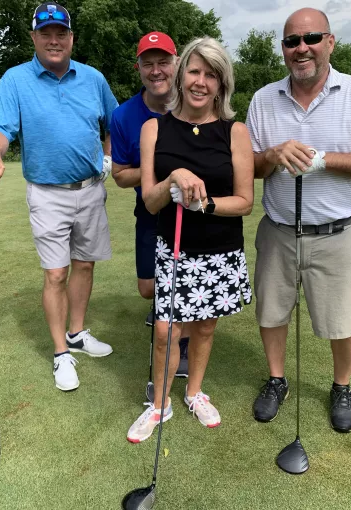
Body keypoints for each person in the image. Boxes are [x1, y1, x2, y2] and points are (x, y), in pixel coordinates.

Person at [246, 7, 351, 432]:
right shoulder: (263, 98)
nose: (302, 48)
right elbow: (251, 166)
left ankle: (342, 386)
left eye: (311, 38)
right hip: (278, 231)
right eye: (292, 41)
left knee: (344, 321)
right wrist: (272, 156)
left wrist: (322, 160)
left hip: (337, 233)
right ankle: (277, 380)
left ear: (330, 42)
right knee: (271, 314)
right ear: (284, 49)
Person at [0, 2, 118, 392]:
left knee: (84, 267)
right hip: (46, 193)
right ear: (34, 38)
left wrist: (107, 157)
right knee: (56, 273)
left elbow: (114, 123)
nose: (54, 41)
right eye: (46, 34)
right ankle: (61, 353)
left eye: (61, 34)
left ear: (71, 38)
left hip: (90, 189)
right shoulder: (15, 80)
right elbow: (0, 128)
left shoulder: (92, 78)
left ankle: (76, 333)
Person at [126, 36, 254, 443]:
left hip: (219, 249)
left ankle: (195, 393)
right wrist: (172, 179)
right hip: (173, 247)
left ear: (222, 83)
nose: (201, 82)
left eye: (211, 74)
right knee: (166, 331)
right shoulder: (153, 128)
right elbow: (149, 201)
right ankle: (160, 404)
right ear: (182, 76)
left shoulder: (235, 132)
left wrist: (205, 205)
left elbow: (245, 201)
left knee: (204, 328)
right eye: (195, 71)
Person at [110, 32, 190, 378]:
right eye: (148, 63)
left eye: (163, 62)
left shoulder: (196, 102)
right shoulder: (125, 115)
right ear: (138, 68)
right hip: (150, 210)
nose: (156, 70)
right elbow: (119, 175)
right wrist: (162, 169)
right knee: (148, 287)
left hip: (193, 213)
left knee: (184, 283)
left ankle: (181, 349)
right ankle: (163, 306)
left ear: (177, 64)